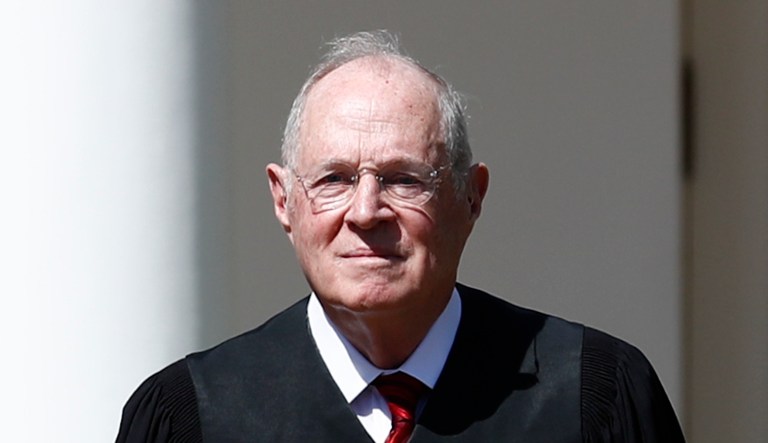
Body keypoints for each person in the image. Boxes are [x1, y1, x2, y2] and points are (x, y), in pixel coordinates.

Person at [116, 30, 685, 442]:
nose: (366, 212)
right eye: (334, 179)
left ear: (471, 196)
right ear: (283, 199)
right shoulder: (192, 417)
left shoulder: (593, 400)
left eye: (403, 179)